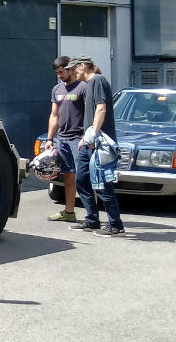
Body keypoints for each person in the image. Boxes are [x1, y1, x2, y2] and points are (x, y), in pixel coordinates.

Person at [68, 56, 125, 237]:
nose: (72, 73)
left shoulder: (98, 80)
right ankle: (92, 220)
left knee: (102, 184)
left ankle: (116, 226)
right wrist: (85, 137)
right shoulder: (89, 85)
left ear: (83, 66)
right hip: (89, 142)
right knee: (82, 180)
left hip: (99, 143)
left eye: (74, 69)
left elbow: (101, 109)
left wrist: (93, 134)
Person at [44, 56, 84, 221]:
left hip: (79, 139)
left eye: (61, 72)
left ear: (70, 69)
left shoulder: (83, 87)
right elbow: (54, 115)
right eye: (57, 73)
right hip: (63, 139)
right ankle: (69, 213)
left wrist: (87, 137)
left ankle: (92, 217)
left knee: (84, 177)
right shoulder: (57, 89)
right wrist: (50, 139)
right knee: (68, 175)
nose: (59, 75)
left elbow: (92, 113)